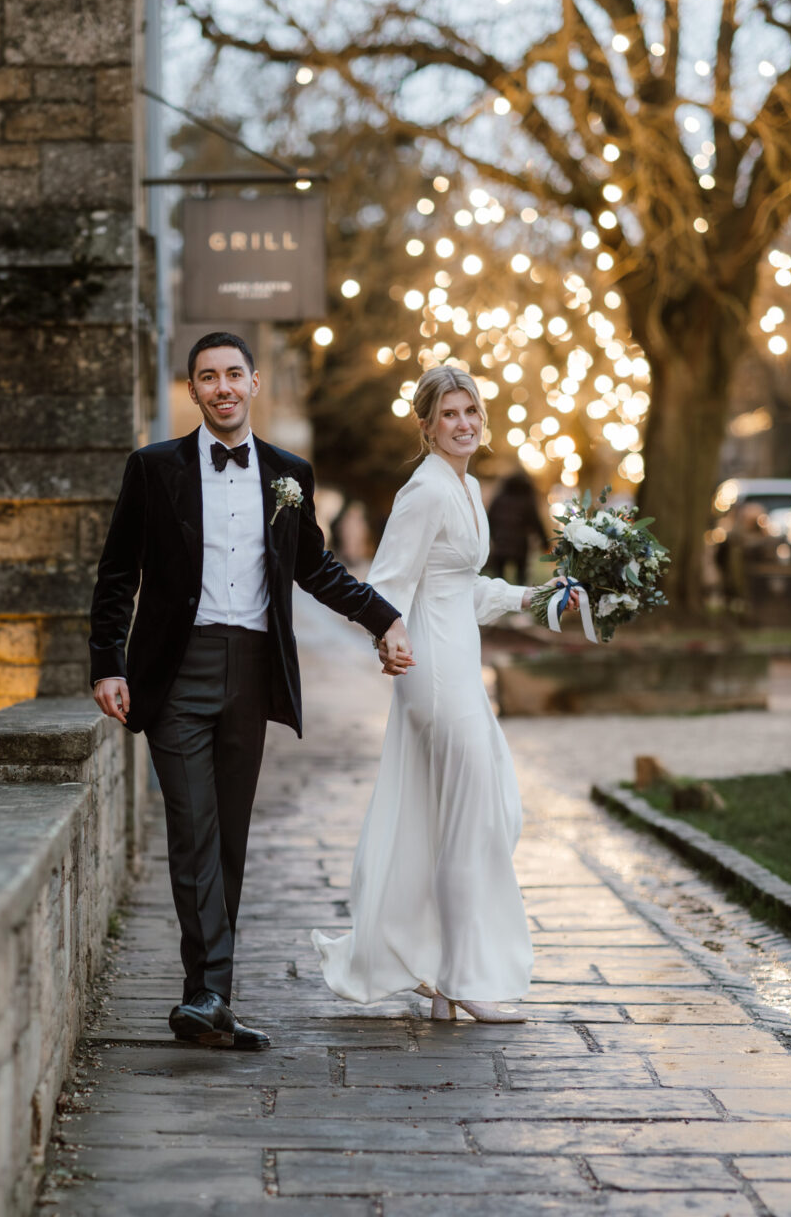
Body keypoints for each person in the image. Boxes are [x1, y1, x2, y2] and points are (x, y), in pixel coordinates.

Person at [89, 331, 411, 1051]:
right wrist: (107, 663)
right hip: (175, 671)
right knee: (192, 829)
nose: (223, 387)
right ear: (195, 390)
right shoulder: (154, 469)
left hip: (251, 669)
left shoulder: (287, 474)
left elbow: (316, 569)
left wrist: (383, 619)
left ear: (254, 384)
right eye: (208, 377)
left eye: (234, 374)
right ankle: (207, 991)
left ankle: (211, 1000)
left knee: (228, 839)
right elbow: (118, 576)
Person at [312, 365, 573, 1024]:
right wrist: (387, 636)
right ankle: (463, 978)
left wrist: (534, 599)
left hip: (460, 665)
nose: (464, 423)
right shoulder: (424, 491)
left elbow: (462, 589)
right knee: (473, 821)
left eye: (471, 412)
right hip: (432, 673)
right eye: (450, 414)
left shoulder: (466, 485)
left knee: (473, 819)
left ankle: (441, 971)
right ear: (426, 426)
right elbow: (391, 583)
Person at [487, 469, 549, 587]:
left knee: (498, 577)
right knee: (521, 576)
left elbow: (489, 517)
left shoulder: (500, 497)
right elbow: (536, 522)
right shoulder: (527, 499)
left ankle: (498, 597)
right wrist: (545, 543)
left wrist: (492, 536)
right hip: (520, 544)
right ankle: (521, 596)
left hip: (501, 542)